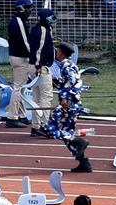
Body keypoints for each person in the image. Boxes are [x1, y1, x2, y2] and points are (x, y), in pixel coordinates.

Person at [37, 42, 92, 172]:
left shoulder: (67, 67)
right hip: (71, 104)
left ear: (60, 52)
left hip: (68, 104)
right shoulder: (67, 65)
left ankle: (79, 142)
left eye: (57, 51)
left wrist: (64, 98)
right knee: (67, 131)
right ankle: (83, 162)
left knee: (49, 128)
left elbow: (73, 84)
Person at [5, 0, 35, 128]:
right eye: (28, 7)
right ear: (21, 8)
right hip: (20, 58)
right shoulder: (18, 22)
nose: (30, 10)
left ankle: (21, 115)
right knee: (18, 87)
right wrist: (33, 57)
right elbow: (25, 42)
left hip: (17, 57)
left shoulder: (17, 21)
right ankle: (12, 117)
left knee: (21, 87)